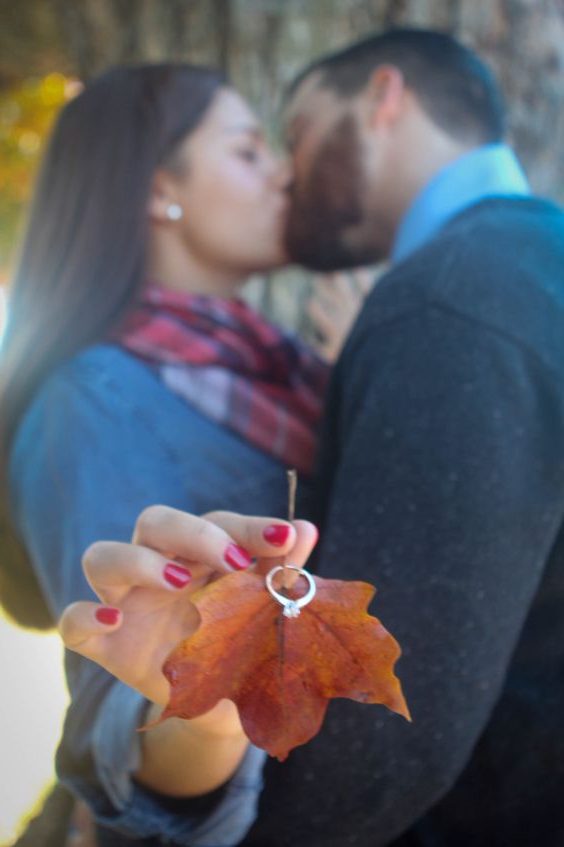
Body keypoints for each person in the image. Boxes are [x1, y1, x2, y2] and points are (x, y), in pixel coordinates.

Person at [61, 28, 564, 846]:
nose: (289, 173)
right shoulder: (528, 255)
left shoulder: (449, 299)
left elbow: (381, 744)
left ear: (384, 98)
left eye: (292, 133)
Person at [0, 63, 325, 845]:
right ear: (157, 190)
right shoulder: (93, 399)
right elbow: (125, 723)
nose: (285, 173)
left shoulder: (283, 367)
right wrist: (207, 716)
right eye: (248, 152)